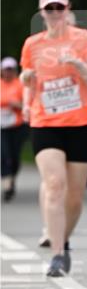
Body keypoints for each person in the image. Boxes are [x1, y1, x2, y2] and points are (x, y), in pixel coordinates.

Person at [19, 0, 87, 276]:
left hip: (80, 123)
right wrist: (25, 78)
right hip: (46, 123)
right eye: (49, 9)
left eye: (59, 8)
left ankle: (63, 239)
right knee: (55, 184)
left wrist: (79, 65)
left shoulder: (84, 39)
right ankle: (56, 254)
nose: (54, 13)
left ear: (68, 9)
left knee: (75, 195)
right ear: (41, 12)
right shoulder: (32, 44)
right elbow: (27, 80)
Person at [1, 56, 27, 201]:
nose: (8, 73)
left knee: (14, 156)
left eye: (11, 70)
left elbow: (28, 105)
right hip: (2, 127)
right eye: (6, 70)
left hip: (17, 125)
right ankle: (7, 185)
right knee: (4, 155)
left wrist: (17, 105)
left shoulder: (20, 85)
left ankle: (12, 177)